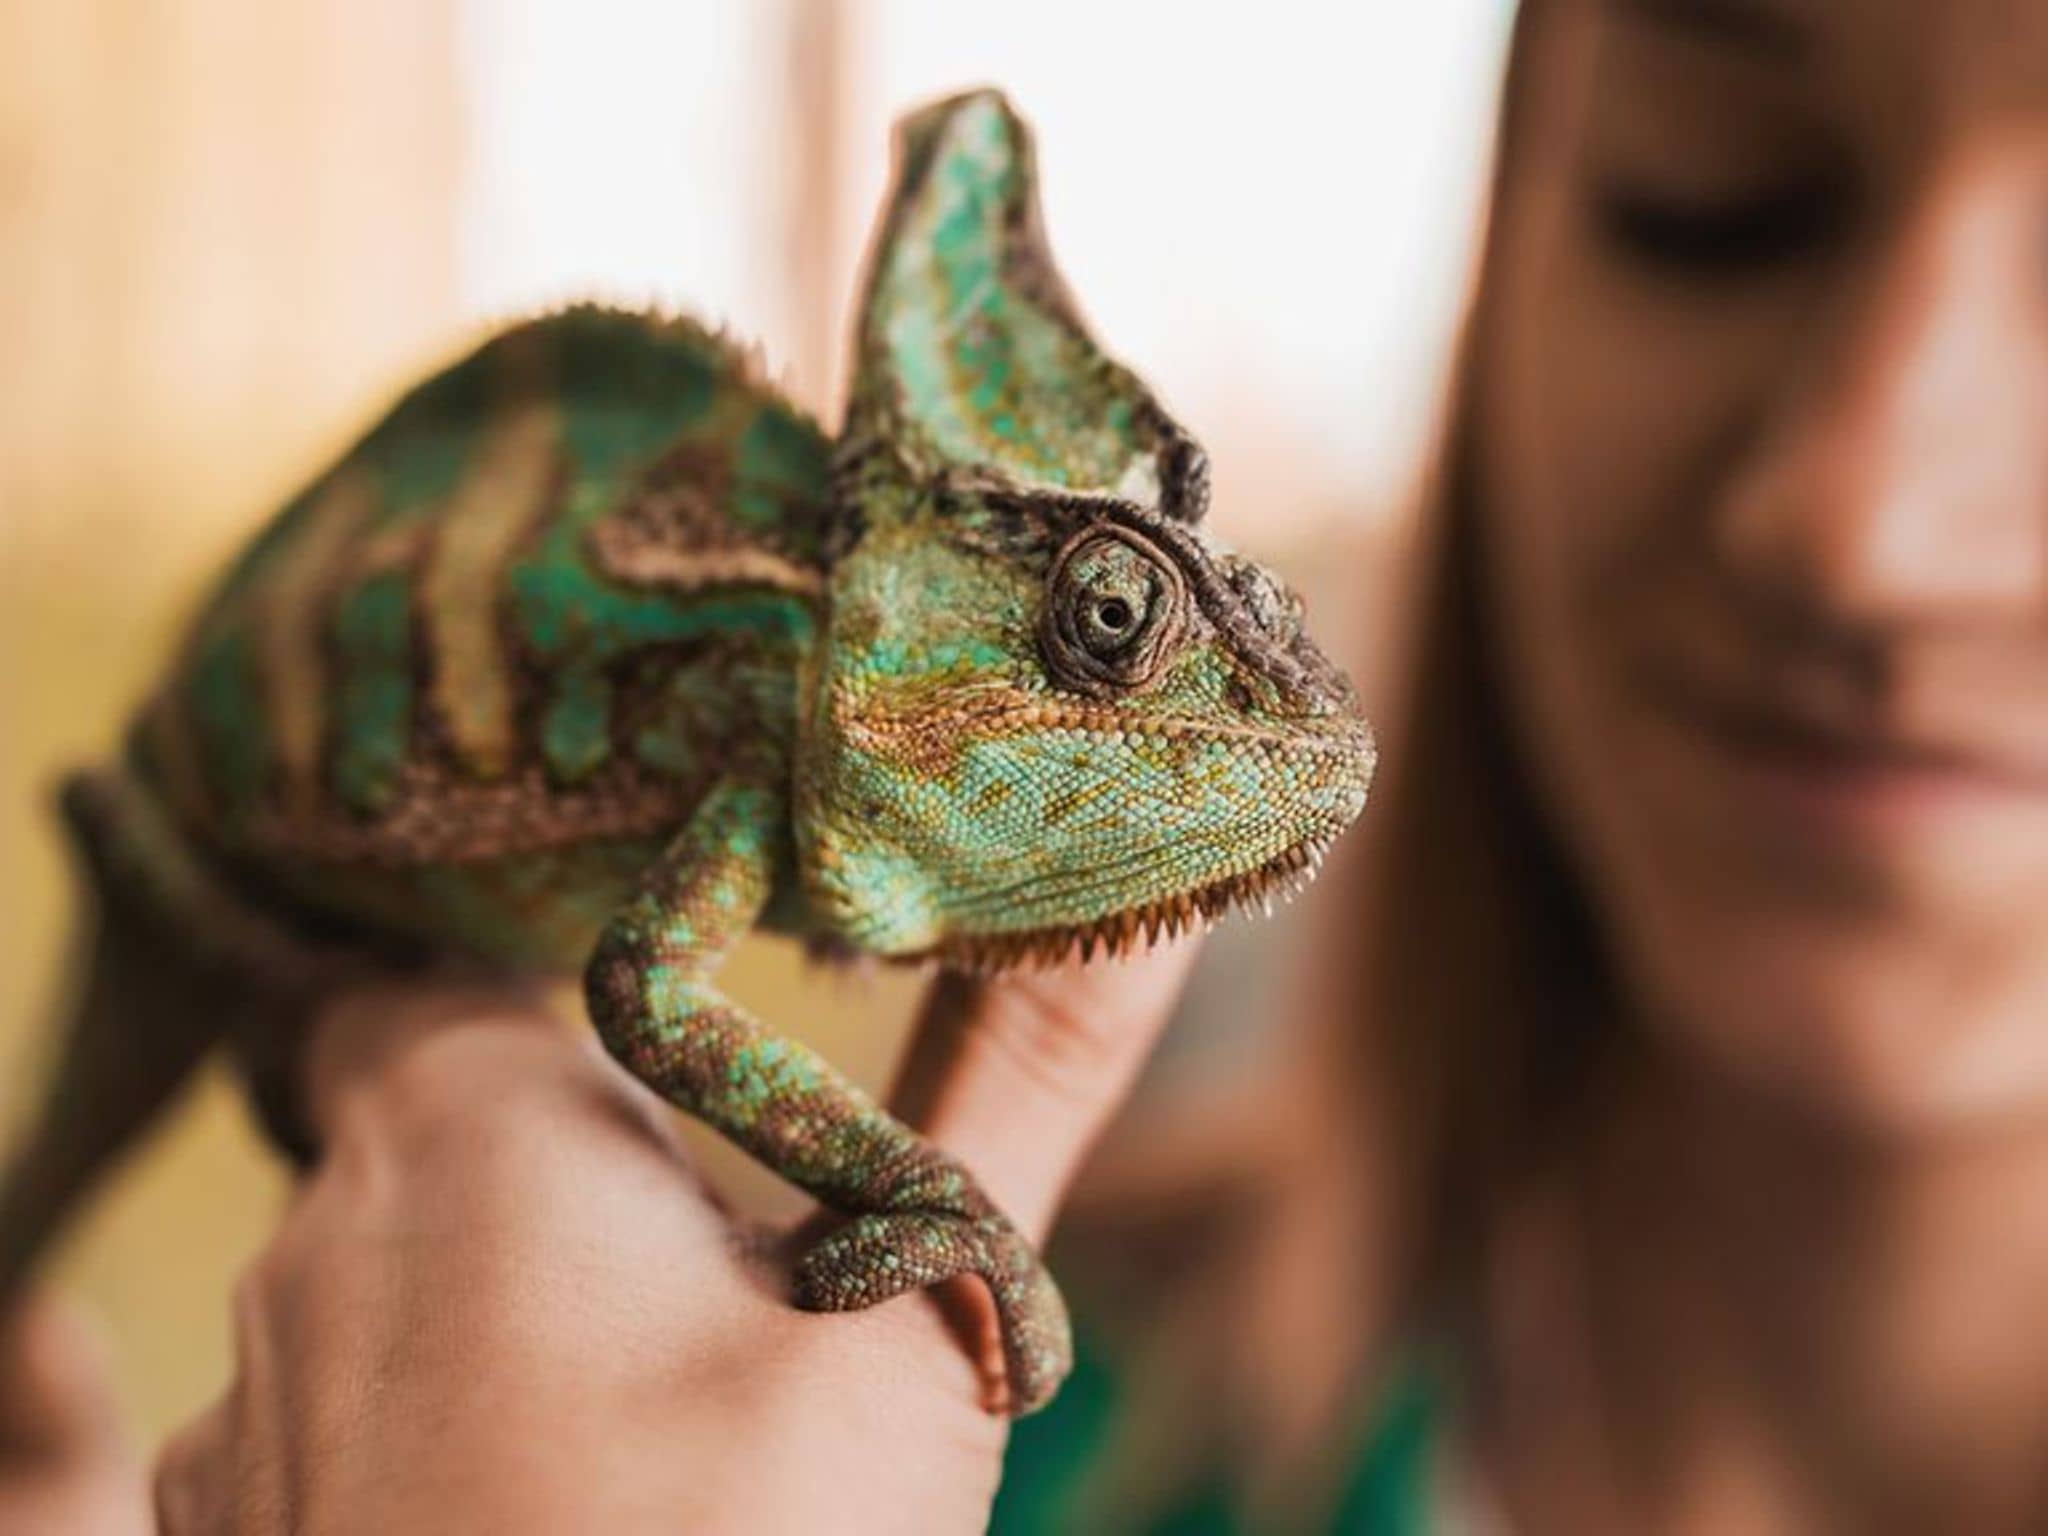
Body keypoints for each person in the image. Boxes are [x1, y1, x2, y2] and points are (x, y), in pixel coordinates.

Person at [13, 0, 2048, 1526]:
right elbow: (644, 988)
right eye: (1712, 195)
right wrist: (916, 1186)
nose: (1861, 527)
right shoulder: (905, 1420)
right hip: (211, 828)